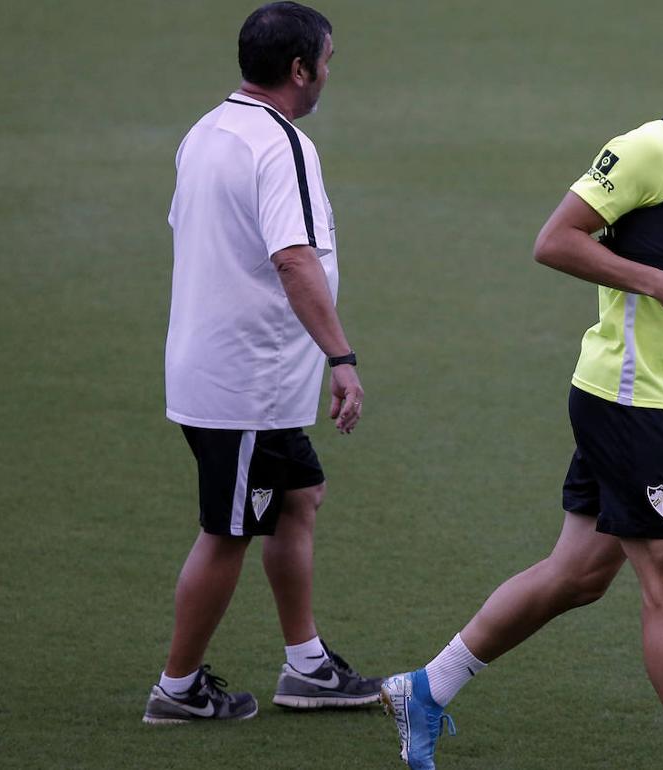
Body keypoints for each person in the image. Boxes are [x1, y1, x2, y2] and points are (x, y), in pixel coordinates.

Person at [380, 30, 663, 770]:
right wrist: (657, 283)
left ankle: (426, 688)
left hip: (662, 404)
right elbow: (555, 240)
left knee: (576, 576)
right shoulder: (651, 150)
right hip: (625, 398)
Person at [143, 1, 381, 724]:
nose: (329, 75)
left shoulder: (208, 131)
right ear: (299, 68)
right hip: (243, 384)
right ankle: (177, 690)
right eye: (327, 62)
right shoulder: (281, 146)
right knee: (230, 531)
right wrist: (340, 356)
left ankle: (306, 664)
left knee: (297, 499)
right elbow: (292, 257)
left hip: (236, 375)